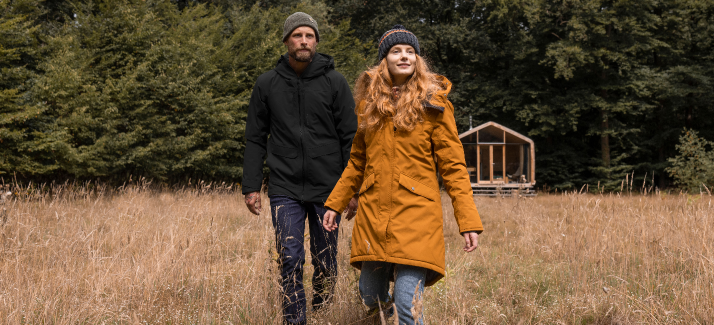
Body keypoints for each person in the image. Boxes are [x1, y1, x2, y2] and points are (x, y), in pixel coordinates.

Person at [322, 25, 484, 324]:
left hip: (418, 216)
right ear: (384, 60)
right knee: (369, 293)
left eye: (410, 51)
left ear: (418, 61)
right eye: (396, 51)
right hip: (374, 217)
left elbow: (453, 167)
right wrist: (335, 202)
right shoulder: (369, 106)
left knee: (407, 303)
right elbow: (357, 161)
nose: (404, 56)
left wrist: (468, 221)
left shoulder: (435, 106)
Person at [242, 12, 358, 325]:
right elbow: (255, 138)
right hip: (284, 188)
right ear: (286, 41)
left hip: (329, 188)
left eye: (309, 35)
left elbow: (351, 139)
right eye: (297, 35)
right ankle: (295, 321)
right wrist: (252, 186)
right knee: (290, 258)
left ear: (316, 41)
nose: (303, 40)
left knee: (326, 261)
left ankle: (321, 313)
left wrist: (351, 189)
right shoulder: (267, 84)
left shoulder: (335, 82)